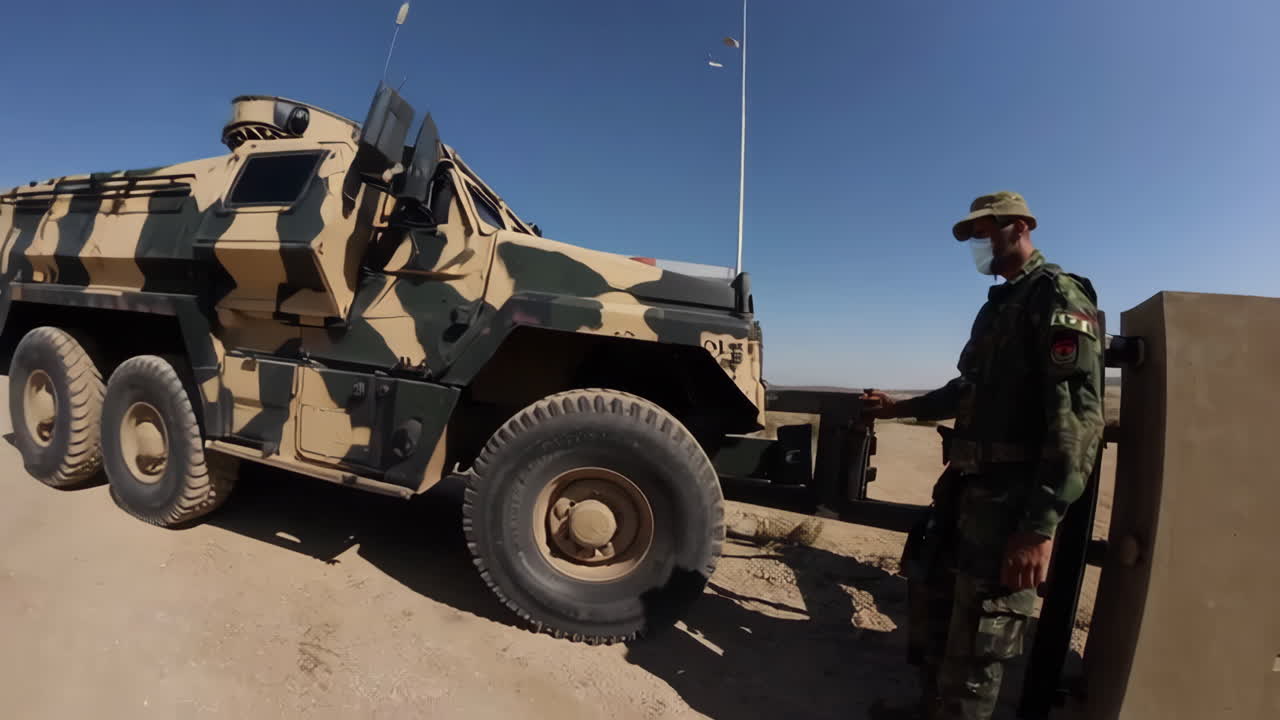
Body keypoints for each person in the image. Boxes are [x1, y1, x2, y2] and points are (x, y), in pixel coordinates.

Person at [862, 191, 1105, 720]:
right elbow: (967, 389)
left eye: (985, 233)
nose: (979, 246)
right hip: (967, 491)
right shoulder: (1000, 306)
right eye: (974, 238)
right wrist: (897, 407)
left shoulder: (1056, 296)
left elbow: (1078, 420)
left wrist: (1039, 526)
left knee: (982, 636)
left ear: (1018, 228)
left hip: (1011, 502)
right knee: (941, 611)